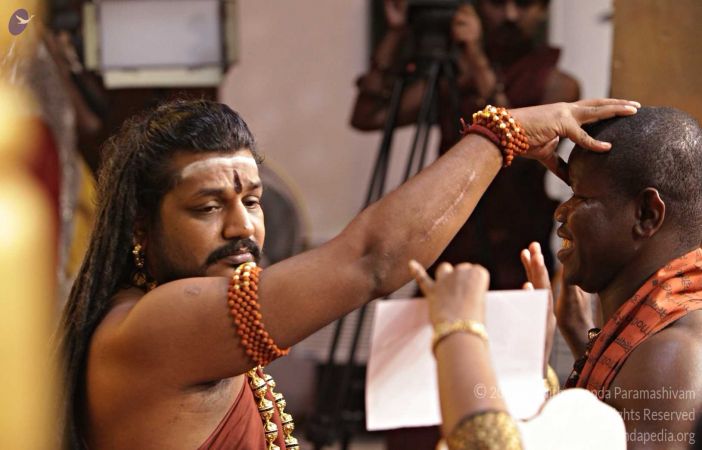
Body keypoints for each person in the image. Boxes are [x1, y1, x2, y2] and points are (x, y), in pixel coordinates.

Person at [57, 97, 638, 449]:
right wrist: (500, 133)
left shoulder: (195, 316)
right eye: (208, 207)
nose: (243, 227)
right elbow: (371, 260)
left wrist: (523, 360)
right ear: (140, 227)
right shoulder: (154, 325)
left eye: (252, 201)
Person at [352, 0, 580, 290]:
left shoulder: (556, 83)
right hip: (448, 244)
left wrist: (476, 59)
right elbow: (368, 117)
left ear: (543, 9)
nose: (510, 15)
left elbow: (522, 157)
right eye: (498, 3)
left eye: (524, 3)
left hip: (516, 253)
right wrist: (397, 32)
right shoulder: (456, 77)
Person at [551, 107, 702, 449]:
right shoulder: (663, 336)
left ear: (647, 215)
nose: (561, 212)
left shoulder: (671, 353)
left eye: (580, 196)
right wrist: (583, 342)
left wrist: (464, 340)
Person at [407, 249, 627, 450]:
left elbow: (486, 443)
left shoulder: (649, 355)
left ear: (643, 222)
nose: (562, 227)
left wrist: (459, 328)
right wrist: (532, 373)